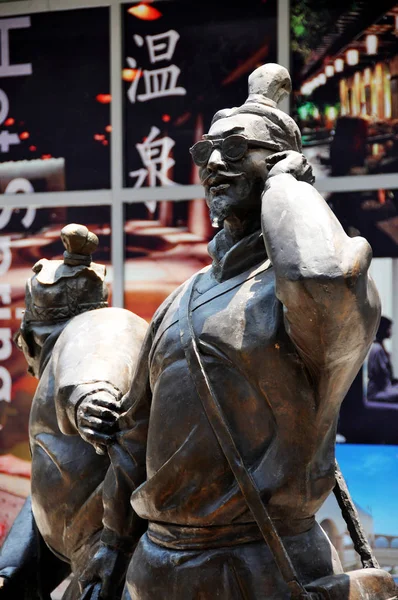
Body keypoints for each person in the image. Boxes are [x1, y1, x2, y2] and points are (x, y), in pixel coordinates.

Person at [81, 64, 381, 599]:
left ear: (280, 163)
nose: (215, 164)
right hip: (159, 565)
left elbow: (324, 275)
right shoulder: (180, 298)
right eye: (206, 152)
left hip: (266, 562)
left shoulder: (301, 289)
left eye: (238, 150)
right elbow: (134, 437)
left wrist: (290, 189)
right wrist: (111, 542)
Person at [0, 224, 148, 600]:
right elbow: (53, 491)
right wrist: (13, 572)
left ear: (30, 336)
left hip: (123, 554)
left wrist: (89, 399)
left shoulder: (97, 328)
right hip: (92, 553)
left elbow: (94, 371)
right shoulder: (64, 358)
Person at [367, 316, 398, 403]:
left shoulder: (380, 348)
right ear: (383, 329)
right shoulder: (377, 349)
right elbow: (381, 375)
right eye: (389, 328)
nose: (390, 331)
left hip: (384, 389)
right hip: (377, 392)